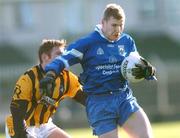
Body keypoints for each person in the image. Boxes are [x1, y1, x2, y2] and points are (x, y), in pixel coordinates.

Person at [40, 3, 156, 138]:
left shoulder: (127, 41)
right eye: (114, 25)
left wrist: (147, 71)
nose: (118, 30)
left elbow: (136, 62)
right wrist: (50, 74)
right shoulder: (88, 43)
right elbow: (63, 59)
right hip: (99, 104)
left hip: (124, 98)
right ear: (103, 22)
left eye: (121, 25)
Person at [5, 39, 87, 138]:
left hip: (44, 125)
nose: (64, 58)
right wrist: (23, 134)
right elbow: (17, 113)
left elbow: (88, 100)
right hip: (21, 123)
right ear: (45, 57)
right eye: (59, 54)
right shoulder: (28, 78)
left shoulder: (67, 78)